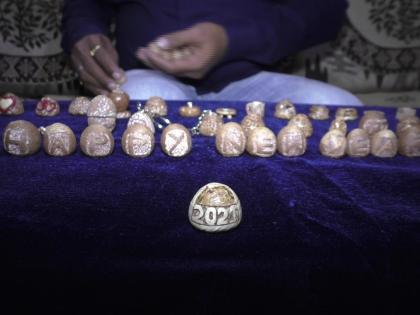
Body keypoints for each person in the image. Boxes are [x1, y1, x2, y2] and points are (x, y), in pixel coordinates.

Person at [62, 0, 362, 105]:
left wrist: (232, 40)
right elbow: (86, 3)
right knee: (146, 100)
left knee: (336, 107)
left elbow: (325, 9)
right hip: (149, 74)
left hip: (253, 79)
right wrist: (84, 31)